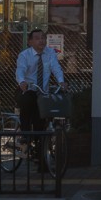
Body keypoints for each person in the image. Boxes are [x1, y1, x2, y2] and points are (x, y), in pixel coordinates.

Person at [15, 28, 66, 170]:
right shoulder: (24, 55)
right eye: (37, 38)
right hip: (27, 88)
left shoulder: (50, 53)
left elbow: (56, 68)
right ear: (30, 41)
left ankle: (41, 157)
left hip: (42, 91)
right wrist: (22, 82)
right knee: (27, 101)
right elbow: (20, 70)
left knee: (41, 121)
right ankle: (25, 135)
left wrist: (61, 81)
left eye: (43, 37)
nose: (41, 40)